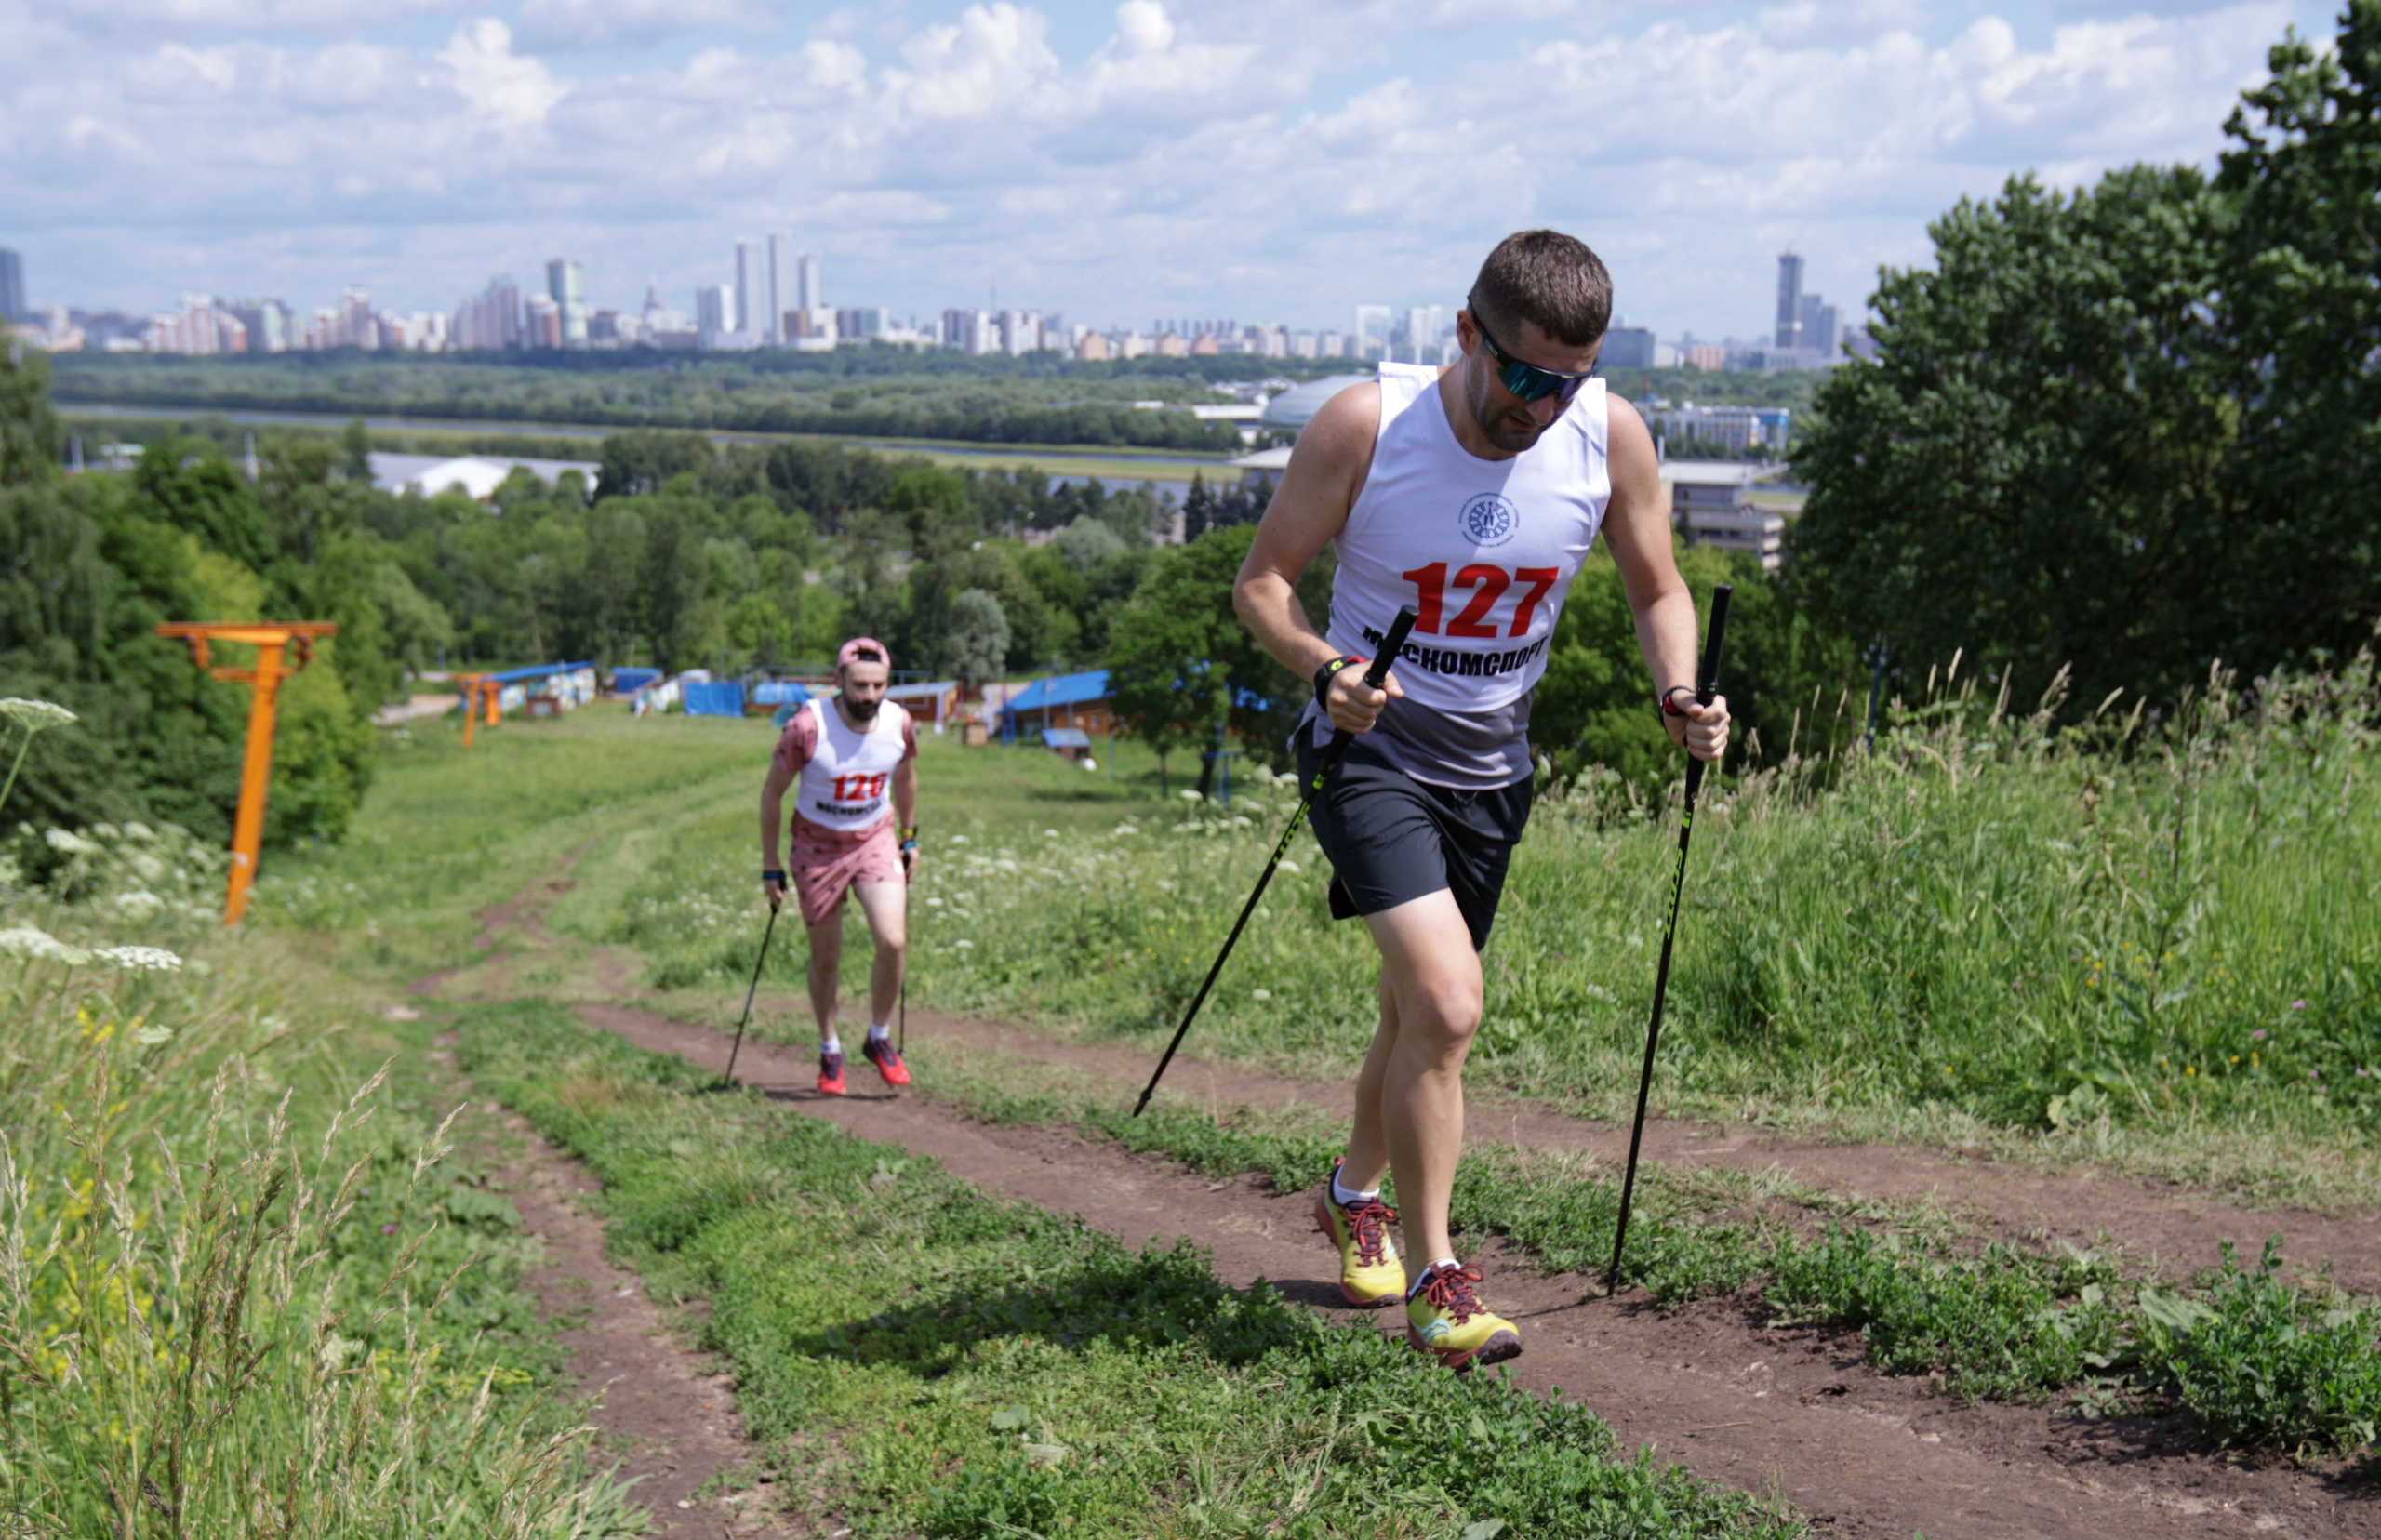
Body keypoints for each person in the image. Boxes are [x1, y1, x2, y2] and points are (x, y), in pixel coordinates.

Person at [1232, 230, 1730, 1371]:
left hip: (1492, 769)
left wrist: (1679, 691)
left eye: (1571, 378)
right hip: (1366, 748)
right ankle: (1437, 1278)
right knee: (1451, 1007)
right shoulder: (1368, 425)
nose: (1544, 404)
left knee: (1415, 1013)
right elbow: (1261, 586)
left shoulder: (1609, 437)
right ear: (1467, 333)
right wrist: (1325, 671)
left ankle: (1353, 1190)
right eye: (1524, 374)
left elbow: (1658, 587)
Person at [759, 638, 922, 1095]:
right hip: (817, 846)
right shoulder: (807, 726)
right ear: (838, 681)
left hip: (875, 837)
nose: (869, 696)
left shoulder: (900, 722)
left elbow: (906, 776)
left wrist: (910, 837)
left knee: (893, 940)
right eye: (859, 686)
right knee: (827, 957)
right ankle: (830, 1049)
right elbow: (772, 794)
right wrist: (771, 868)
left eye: (879, 686)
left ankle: (879, 1037)